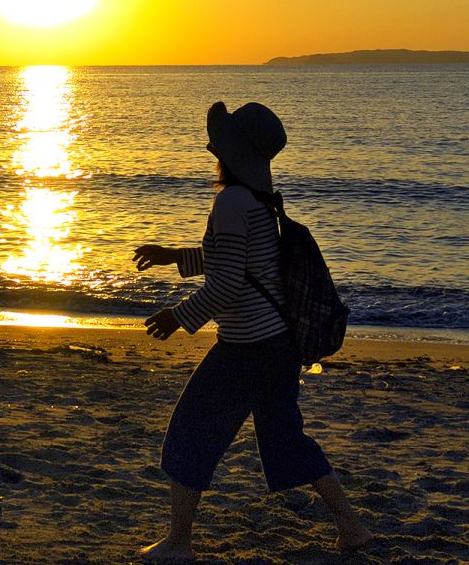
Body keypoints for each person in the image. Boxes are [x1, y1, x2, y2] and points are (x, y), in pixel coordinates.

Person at [132, 102, 372, 562]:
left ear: (227, 151)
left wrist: (177, 317)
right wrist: (172, 257)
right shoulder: (259, 200)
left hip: (247, 347)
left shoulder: (230, 201)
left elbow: (226, 283)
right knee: (286, 440)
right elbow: (241, 261)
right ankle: (353, 528)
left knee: (190, 432)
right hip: (279, 343)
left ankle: (179, 543)